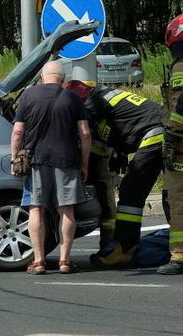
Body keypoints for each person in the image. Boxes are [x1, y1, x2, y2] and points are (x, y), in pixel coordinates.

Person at [62, 80, 164, 268]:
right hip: (164, 132)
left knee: (131, 191)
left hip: (156, 134)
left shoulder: (93, 103)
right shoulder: (104, 99)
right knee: (172, 195)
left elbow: (79, 131)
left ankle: (125, 250)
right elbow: (117, 130)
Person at [10, 60, 91, 275]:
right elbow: (84, 133)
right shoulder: (73, 97)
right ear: (63, 79)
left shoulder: (28, 95)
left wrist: (14, 159)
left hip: (36, 160)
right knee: (66, 210)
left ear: (42, 77)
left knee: (36, 209)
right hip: (67, 160)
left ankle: (38, 261)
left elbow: (18, 132)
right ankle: (65, 261)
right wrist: (84, 163)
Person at [160, 14, 183, 275]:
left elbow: (180, 107)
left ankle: (179, 257)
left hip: (181, 146)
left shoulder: (180, 67)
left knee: (177, 198)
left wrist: (171, 138)